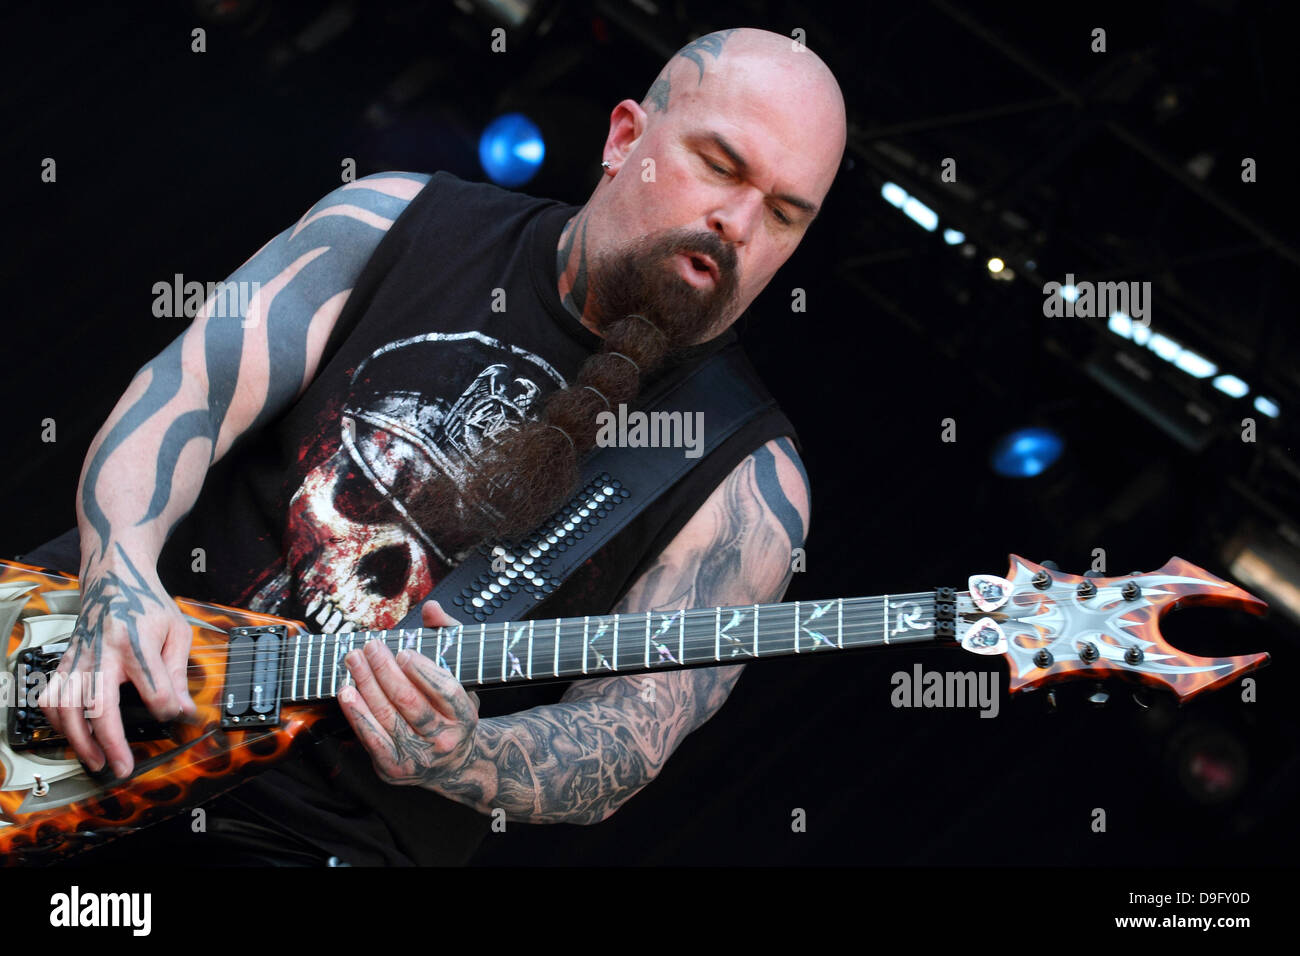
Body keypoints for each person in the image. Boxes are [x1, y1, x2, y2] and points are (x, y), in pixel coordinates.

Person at [32, 26, 847, 865]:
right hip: (67, 684)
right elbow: (184, 402)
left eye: (785, 213)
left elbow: (626, 738)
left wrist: (467, 756)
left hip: (303, 839)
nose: (738, 224)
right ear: (624, 137)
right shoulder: (393, 220)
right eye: (720, 165)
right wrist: (118, 585)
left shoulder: (746, 479)